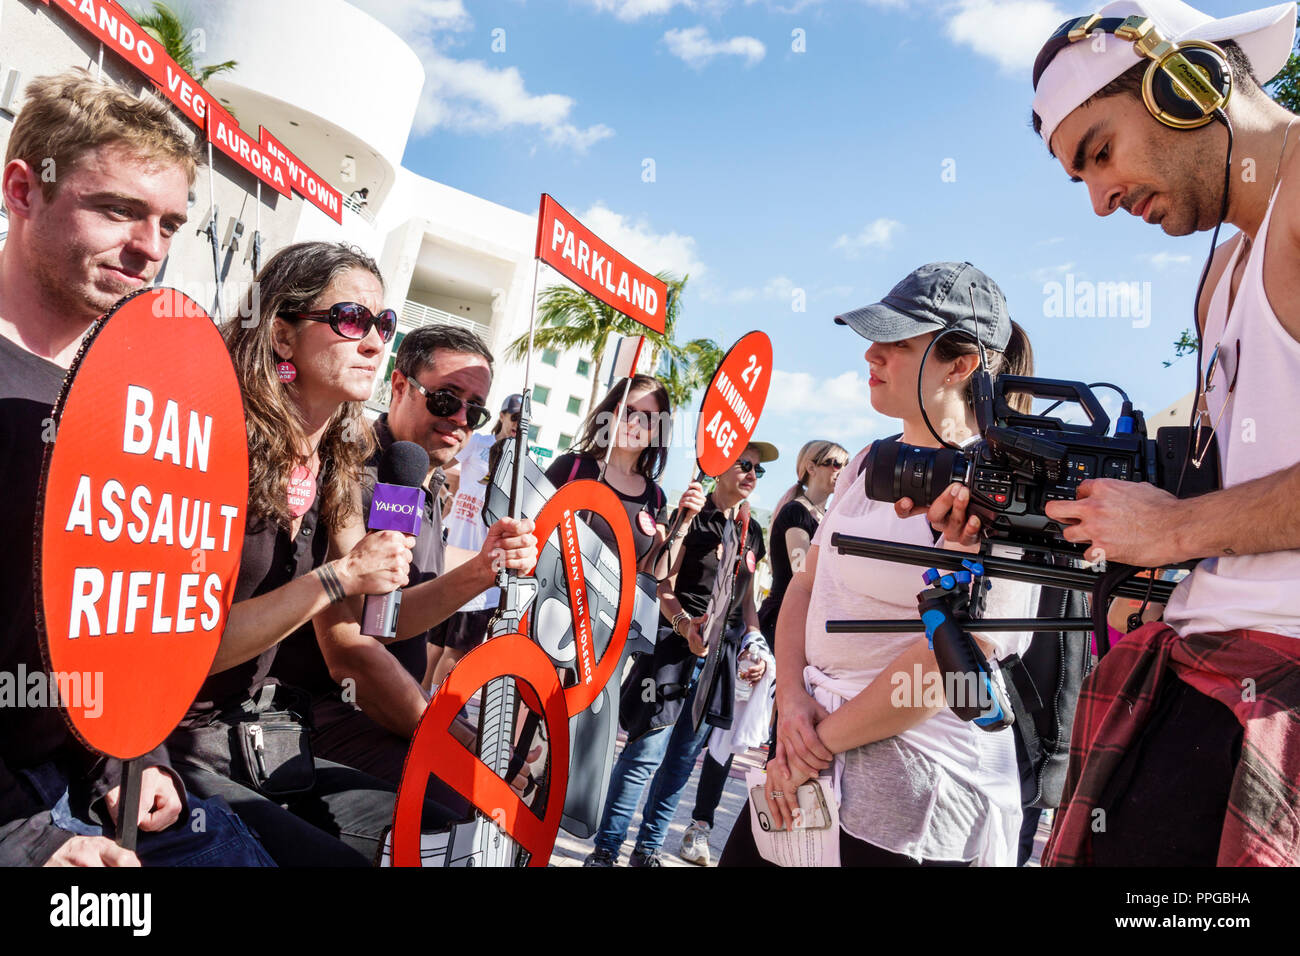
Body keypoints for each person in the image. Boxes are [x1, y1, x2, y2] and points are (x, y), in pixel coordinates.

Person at [1029, 0, 1300, 866]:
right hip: (1191, 678)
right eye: (1079, 178)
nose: (1102, 200)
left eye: (1100, 152)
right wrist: (1037, 514)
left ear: (1191, 85)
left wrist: (1173, 530)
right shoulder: (1222, 273)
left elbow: (1186, 522)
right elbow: (1220, 494)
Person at [165, 242, 536, 865]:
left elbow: (377, 621)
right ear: (283, 337)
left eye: (383, 324)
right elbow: (187, 648)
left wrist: (483, 569)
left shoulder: (335, 464)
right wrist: (338, 577)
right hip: (175, 743)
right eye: (351, 321)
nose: (373, 341)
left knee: (450, 842)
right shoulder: (216, 443)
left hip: (264, 738)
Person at [0, 70, 271, 866]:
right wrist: (24, 833)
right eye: (117, 210)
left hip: (86, 778)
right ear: (24, 191)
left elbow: (121, 615)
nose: (149, 247)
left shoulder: (133, 396)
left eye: (169, 224)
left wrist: (132, 753)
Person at [720, 262, 1038, 867]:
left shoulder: (1008, 481)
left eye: (898, 341)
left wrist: (811, 744)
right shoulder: (868, 462)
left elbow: (958, 660)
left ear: (961, 363)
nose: (872, 352)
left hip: (911, 793)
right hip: (804, 757)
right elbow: (806, 587)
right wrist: (791, 702)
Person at [282, 323, 522, 791]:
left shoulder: (419, 476)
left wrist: (490, 564)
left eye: (476, 410)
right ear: (398, 385)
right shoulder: (351, 473)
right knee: (455, 814)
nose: (460, 419)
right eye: (447, 399)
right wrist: (452, 740)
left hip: (390, 711)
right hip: (327, 722)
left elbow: (389, 617)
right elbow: (355, 651)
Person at [586, 440, 774, 867]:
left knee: (681, 763)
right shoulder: (693, 511)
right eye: (744, 465)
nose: (751, 475)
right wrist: (684, 625)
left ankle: (648, 852)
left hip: (719, 661)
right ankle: (605, 852)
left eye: (757, 470)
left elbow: (747, 602)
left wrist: (755, 644)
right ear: (720, 466)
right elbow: (659, 580)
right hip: (673, 650)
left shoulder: (753, 531)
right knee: (644, 756)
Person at [679, 438, 847, 865]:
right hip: (780, 636)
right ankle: (707, 829)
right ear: (809, 466)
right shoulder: (796, 513)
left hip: (805, 639)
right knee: (721, 740)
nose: (840, 471)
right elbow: (804, 575)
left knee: (756, 740)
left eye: (846, 464)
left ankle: (771, 839)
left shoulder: (826, 517)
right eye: (832, 462)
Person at [544, 375, 704, 573]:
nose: (634, 423)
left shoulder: (656, 498)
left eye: (647, 418)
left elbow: (654, 574)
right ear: (612, 413)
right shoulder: (570, 468)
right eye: (628, 411)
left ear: (657, 431)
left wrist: (684, 522)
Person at [425, 392, 522, 691]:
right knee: (433, 644)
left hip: (483, 569)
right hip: (452, 554)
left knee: (457, 652)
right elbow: (441, 465)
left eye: (524, 421)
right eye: (514, 417)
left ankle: (434, 711)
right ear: (503, 416)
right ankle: (419, 707)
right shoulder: (478, 443)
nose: (518, 424)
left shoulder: (521, 461)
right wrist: (441, 501)